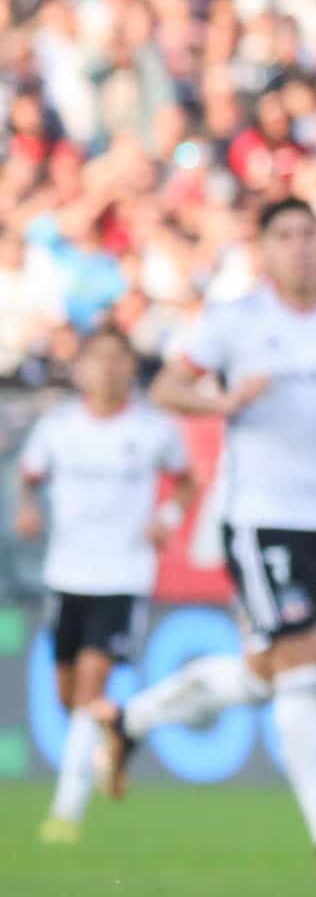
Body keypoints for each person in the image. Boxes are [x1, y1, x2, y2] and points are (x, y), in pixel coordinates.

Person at [90, 198, 316, 886]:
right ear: (263, 248)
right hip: (259, 517)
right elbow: (169, 385)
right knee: (299, 660)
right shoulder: (237, 321)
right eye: (283, 236)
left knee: (264, 676)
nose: (297, 247)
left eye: (306, 235)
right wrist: (222, 403)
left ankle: (130, 719)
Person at [16, 329, 195, 844]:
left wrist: (167, 516)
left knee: (92, 685)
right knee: (70, 696)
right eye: (100, 360)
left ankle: (65, 813)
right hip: (66, 573)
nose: (110, 369)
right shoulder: (58, 426)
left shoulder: (154, 428)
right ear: (83, 369)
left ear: (130, 368)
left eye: (119, 360)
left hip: (123, 574)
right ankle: (115, 734)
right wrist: (28, 509)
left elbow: (186, 480)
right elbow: (29, 477)